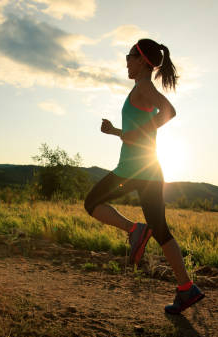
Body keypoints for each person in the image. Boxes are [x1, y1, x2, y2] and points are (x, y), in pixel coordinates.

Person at [84, 38, 204, 314]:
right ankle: (187, 289)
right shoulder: (140, 89)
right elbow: (137, 134)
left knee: (92, 203)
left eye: (129, 56)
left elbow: (169, 112)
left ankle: (134, 230)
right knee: (161, 230)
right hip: (149, 169)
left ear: (141, 61)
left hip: (133, 170)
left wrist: (137, 133)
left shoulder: (144, 87)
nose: (126, 61)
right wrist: (115, 131)